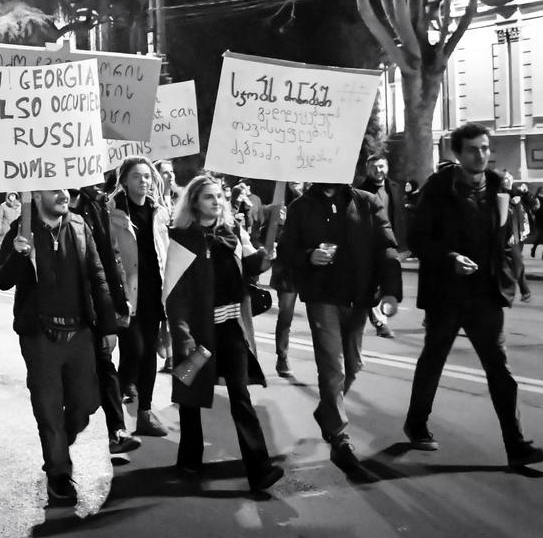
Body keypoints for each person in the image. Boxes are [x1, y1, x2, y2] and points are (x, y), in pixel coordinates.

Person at [404, 123, 543, 469]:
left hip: (485, 293)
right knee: (433, 359)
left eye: (485, 148)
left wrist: (511, 277)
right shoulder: (438, 187)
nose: (481, 155)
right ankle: (416, 421)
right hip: (447, 292)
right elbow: (418, 239)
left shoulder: (500, 185)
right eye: (473, 149)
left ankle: (516, 445)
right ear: (457, 154)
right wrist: (450, 258)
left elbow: (508, 236)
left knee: (499, 369)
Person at [0, 189, 120, 505]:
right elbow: (2, 280)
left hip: (79, 332)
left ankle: (59, 444)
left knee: (86, 402)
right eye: (55, 190)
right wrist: (18, 255)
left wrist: (108, 326)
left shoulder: (79, 226)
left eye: (66, 188)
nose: (65, 194)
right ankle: (59, 475)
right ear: (37, 196)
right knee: (48, 409)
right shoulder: (20, 231)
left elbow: (98, 276)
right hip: (40, 337)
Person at [165, 175, 284, 492]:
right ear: (194, 202)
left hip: (232, 330)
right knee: (189, 394)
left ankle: (259, 469)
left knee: (240, 396)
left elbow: (250, 266)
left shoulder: (233, 232)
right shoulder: (181, 238)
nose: (217, 201)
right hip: (198, 334)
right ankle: (189, 458)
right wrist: (183, 337)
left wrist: (266, 255)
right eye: (208, 197)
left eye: (219, 196)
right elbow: (174, 295)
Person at [278, 175, 401, 470]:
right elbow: (285, 251)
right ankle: (339, 436)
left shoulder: (367, 202)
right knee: (332, 367)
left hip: (358, 297)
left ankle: (327, 411)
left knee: (354, 364)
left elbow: (386, 246)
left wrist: (391, 291)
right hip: (322, 297)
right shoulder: (301, 207)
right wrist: (309, 256)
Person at [70, 184, 141, 462]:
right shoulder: (46, 202)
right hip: (62, 311)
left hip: (95, 303)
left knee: (107, 364)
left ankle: (118, 432)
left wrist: (117, 304)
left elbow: (105, 260)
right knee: (77, 389)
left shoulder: (94, 204)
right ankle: (64, 437)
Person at [108, 156, 170, 438]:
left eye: (147, 176)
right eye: (136, 176)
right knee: (135, 350)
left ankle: (145, 412)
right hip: (126, 295)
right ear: (124, 181)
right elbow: (106, 255)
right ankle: (115, 415)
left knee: (148, 356)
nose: (143, 181)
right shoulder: (113, 213)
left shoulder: (159, 212)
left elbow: (166, 249)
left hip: (154, 293)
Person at [356, 156, 408, 334]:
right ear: (367, 169)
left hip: (391, 243)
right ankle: (380, 322)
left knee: (388, 280)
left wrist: (404, 245)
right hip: (369, 243)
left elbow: (400, 217)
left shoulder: (395, 188)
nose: (379, 170)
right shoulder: (360, 191)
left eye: (382, 166)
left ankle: (378, 316)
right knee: (372, 281)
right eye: (374, 167)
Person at [271, 181, 306, 375]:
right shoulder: (279, 198)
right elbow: (268, 229)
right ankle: (282, 356)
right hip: (287, 267)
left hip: (312, 263)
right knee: (286, 314)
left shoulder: (315, 198)